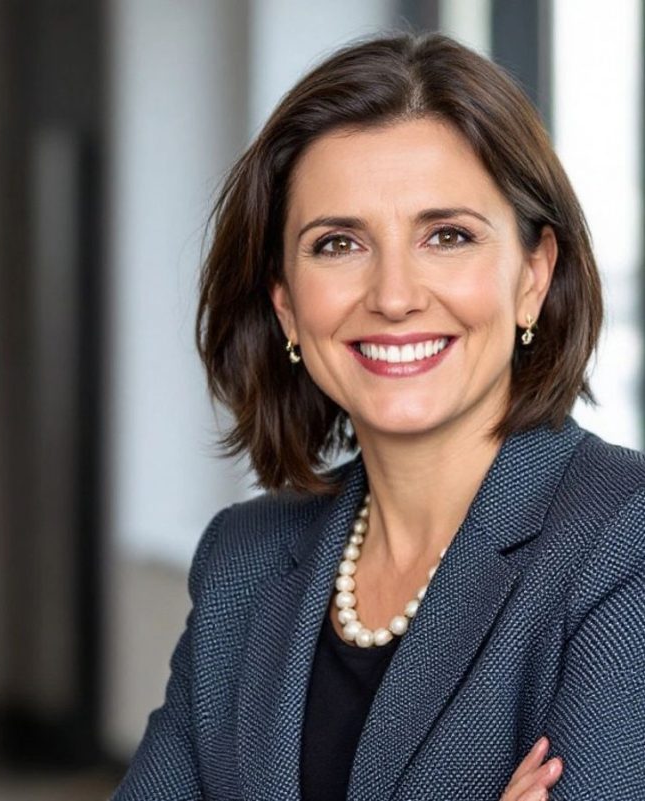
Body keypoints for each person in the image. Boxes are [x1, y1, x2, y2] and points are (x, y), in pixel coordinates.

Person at [111, 31, 645, 801]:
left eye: (448, 236)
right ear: (287, 305)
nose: (393, 295)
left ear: (533, 274)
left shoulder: (621, 543)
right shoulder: (244, 561)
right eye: (338, 244)